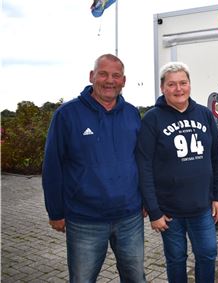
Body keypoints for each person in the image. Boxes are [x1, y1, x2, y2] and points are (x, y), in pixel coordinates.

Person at [42, 54, 146, 283]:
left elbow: (142, 161)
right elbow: (52, 166)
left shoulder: (131, 114)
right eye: (103, 74)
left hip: (130, 217)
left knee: (136, 277)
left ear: (124, 80)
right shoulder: (66, 115)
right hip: (84, 220)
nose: (110, 80)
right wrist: (55, 212)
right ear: (92, 76)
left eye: (116, 76)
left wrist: (148, 201)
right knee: (82, 279)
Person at [136, 61, 218, 283]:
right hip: (170, 212)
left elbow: (216, 156)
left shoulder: (205, 115)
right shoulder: (152, 119)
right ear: (162, 88)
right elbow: (144, 167)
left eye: (183, 83)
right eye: (172, 84)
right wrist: (154, 211)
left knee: (207, 254)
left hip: (201, 208)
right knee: (176, 259)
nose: (179, 89)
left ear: (189, 85)